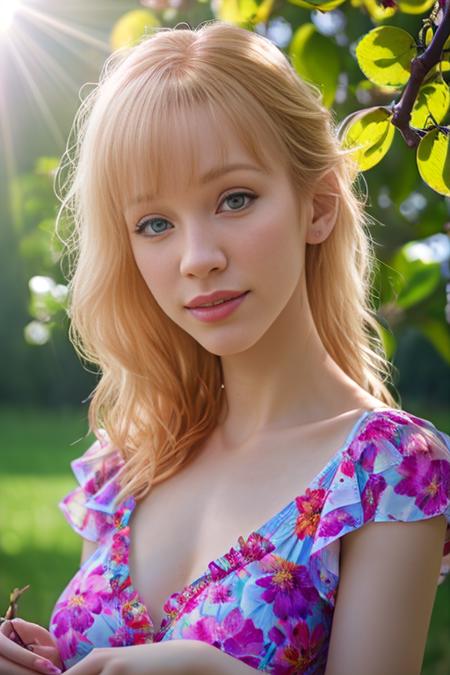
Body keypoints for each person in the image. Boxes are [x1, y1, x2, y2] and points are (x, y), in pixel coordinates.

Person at [1, 18, 449, 675]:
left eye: (235, 199)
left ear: (318, 205)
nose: (197, 258)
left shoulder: (387, 469)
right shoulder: (129, 458)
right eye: (155, 223)